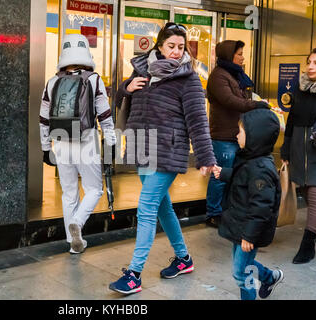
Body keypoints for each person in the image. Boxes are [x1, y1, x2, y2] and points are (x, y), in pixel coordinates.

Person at [108, 22, 217, 295]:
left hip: (169, 151)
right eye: (171, 46)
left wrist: (205, 157)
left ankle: (134, 275)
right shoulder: (142, 70)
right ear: (159, 45)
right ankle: (183, 259)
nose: (176, 52)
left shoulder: (189, 78)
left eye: (181, 47)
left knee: (146, 208)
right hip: (142, 148)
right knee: (161, 207)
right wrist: (126, 86)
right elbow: (118, 97)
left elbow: (198, 120)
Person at [39, 34, 116, 254]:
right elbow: (105, 116)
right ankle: (78, 224)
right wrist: (110, 145)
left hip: (60, 141)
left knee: (69, 192)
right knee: (94, 189)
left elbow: (43, 118)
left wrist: (46, 148)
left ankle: (73, 241)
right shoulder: (93, 79)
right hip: (86, 140)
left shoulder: (53, 82)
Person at [214, 107, 284, 300]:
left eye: (241, 131)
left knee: (240, 272)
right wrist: (224, 173)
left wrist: (249, 236)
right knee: (243, 265)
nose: (236, 135)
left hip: (249, 229)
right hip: (241, 224)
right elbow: (243, 178)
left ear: (255, 136)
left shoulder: (261, 169)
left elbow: (262, 207)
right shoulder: (250, 159)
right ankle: (270, 277)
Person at [205, 40, 264, 228]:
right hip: (223, 135)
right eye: (239, 54)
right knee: (220, 176)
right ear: (229, 54)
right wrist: (255, 105)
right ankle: (213, 213)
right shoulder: (218, 76)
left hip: (236, 135)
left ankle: (226, 209)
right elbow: (230, 101)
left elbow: (240, 99)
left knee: (232, 175)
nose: (242, 57)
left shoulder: (234, 75)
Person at [281, 48, 316, 264]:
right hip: (300, 151)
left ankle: (307, 244)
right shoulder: (300, 89)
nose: (310, 66)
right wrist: (286, 148)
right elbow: (291, 122)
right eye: (309, 62)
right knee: (308, 194)